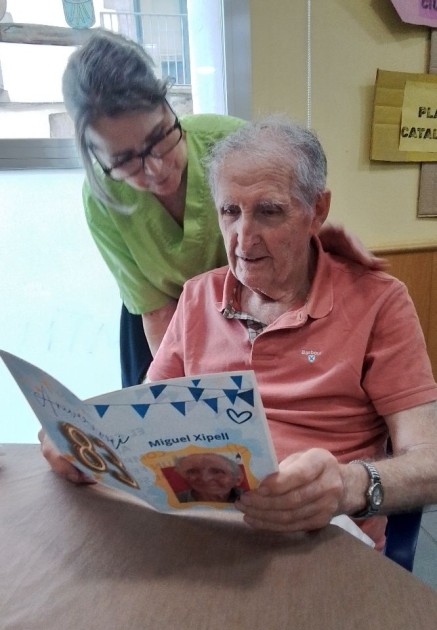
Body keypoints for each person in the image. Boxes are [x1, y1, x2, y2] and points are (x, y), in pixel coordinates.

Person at [40, 116, 437, 551]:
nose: (244, 240)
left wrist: (349, 486)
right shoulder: (197, 296)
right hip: (204, 531)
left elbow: (430, 460)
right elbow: (145, 422)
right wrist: (83, 442)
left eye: (269, 211)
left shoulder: (378, 302)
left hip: (318, 537)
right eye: (230, 212)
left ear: (317, 211)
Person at [62, 28, 245, 386]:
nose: (156, 169)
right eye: (124, 160)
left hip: (251, 311)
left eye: (159, 136)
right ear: (97, 157)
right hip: (162, 325)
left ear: (167, 105)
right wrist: (181, 394)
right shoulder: (102, 198)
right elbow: (156, 312)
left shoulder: (234, 144)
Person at [173, 453, 245, 503]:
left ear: (238, 479)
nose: (205, 479)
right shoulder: (175, 499)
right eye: (193, 471)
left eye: (217, 471)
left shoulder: (247, 496)